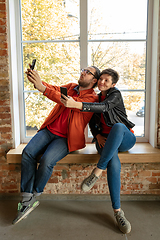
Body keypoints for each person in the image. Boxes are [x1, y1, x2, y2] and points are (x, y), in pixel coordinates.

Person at [12, 65, 100, 224]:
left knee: (46, 161)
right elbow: (54, 89)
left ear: (94, 80)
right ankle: (27, 197)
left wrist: (42, 88)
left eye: (87, 72)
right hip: (49, 130)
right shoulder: (71, 87)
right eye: (83, 69)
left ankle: (35, 193)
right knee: (28, 153)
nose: (83, 72)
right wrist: (37, 80)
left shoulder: (92, 98)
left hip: (66, 139)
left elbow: (68, 102)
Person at [61, 68, 136, 234]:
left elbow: (104, 107)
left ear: (113, 84)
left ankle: (97, 171)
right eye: (100, 79)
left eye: (106, 80)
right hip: (105, 142)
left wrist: (77, 105)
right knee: (113, 162)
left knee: (117, 126)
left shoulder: (115, 95)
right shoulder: (94, 98)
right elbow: (92, 121)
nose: (102, 82)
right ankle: (118, 212)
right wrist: (97, 134)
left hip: (124, 138)